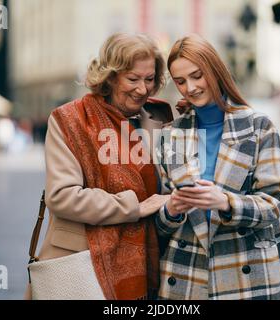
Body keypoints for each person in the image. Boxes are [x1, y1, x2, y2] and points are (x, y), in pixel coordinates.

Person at [25, 33, 174, 300]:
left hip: (147, 266)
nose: (142, 89)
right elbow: (62, 197)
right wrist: (134, 207)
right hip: (82, 264)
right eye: (133, 79)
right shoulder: (69, 120)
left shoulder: (159, 119)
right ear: (110, 76)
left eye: (149, 79)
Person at [156, 34, 280, 300]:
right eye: (180, 81)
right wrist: (170, 211)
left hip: (247, 276)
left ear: (214, 70)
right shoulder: (168, 135)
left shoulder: (258, 127)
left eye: (197, 75)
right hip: (186, 277)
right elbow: (158, 220)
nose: (190, 87)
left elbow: (275, 202)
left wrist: (226, 202)